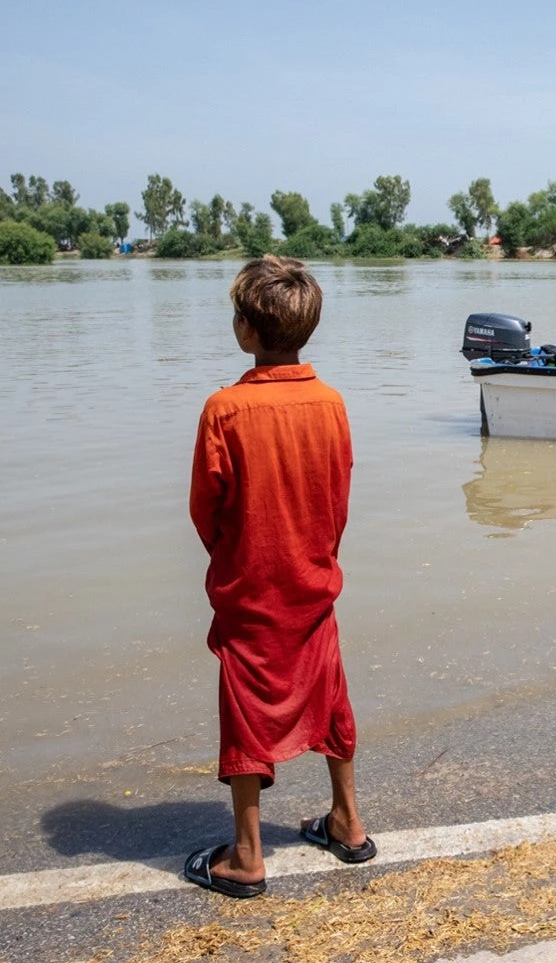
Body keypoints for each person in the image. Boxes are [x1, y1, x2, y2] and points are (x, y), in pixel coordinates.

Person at [182, 255, 375, 899]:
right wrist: (313, 552)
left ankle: (246, 855)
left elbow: (205, 510)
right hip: (313, 579)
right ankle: (347, 823)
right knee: (331, 694)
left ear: (245, 329)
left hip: (251, 587)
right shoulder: (332, 403)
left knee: (245, 709)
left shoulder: (225, 409)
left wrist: (235, 555)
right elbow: (338, 496)